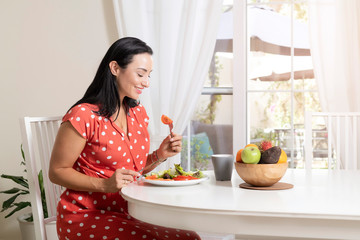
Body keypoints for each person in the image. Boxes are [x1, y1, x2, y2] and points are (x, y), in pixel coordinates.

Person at [49, 37, 201, 240]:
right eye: (140, 74)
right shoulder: (83, 115)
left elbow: (131, 171)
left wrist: (160, 155)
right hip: (85, 216)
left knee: (189, 237)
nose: (146, 83)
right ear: (114, 68)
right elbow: (57, 171)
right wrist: (104, 185)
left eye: (149, 75)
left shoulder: (137, 113)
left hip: (130, 212)